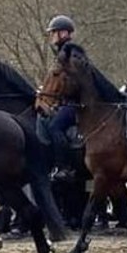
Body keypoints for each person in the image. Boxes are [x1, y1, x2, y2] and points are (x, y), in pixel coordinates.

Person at [44, 15, 82, 180]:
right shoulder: (63, 52)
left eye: (54, 33)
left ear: (64, 33)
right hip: (66, 102)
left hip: (75, 104)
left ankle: (64, 167)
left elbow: (75, 82)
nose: (52, 36)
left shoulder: (72, 53)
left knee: (55, 127)